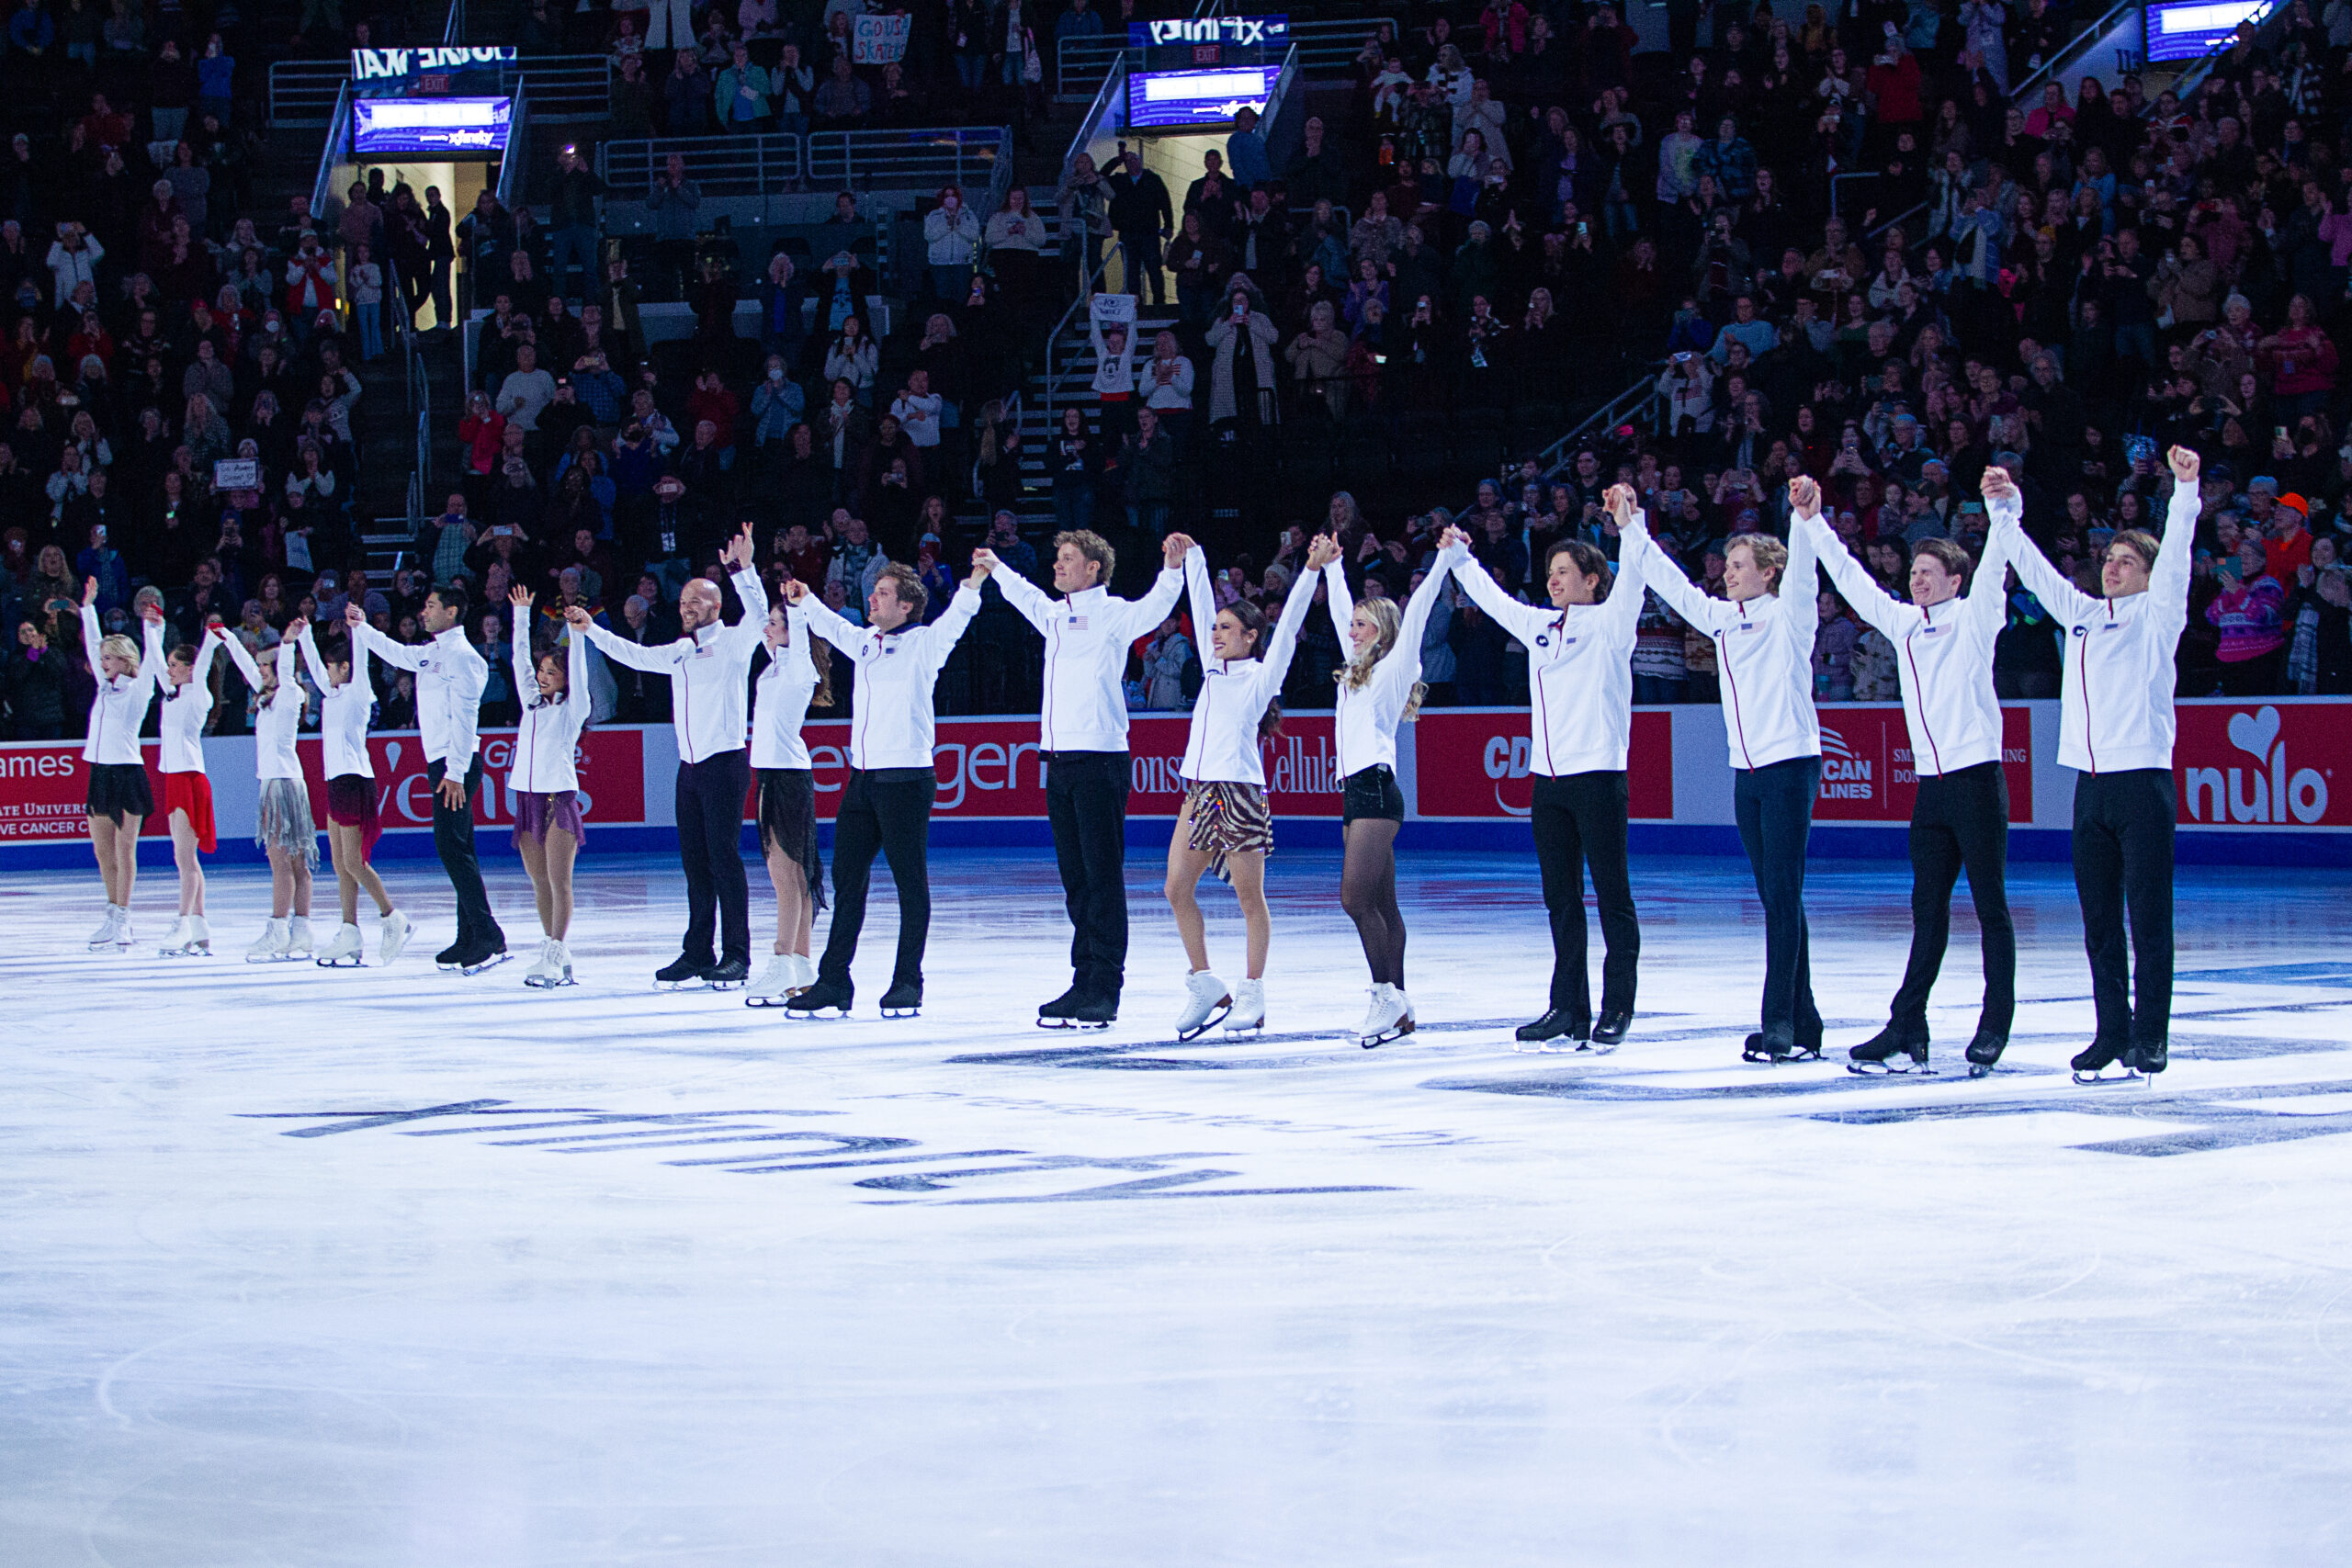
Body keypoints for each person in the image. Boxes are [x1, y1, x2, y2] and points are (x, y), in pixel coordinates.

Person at [1798, 472, 2019, 1077]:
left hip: (1977, 782)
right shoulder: (1903, 624)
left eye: (1929, 572)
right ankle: (1907, 1026)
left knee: (1991, 907)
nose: (1917, 579)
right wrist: (1814, 522)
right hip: (1931, 790)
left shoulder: (1975, 618)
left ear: (1954, 580)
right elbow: (1851, 579)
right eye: (1914, 571)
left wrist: (2002, 507)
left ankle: (1994, 1024)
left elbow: (1996, 564)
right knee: (1927, 910)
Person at [1993, 446, 2199, 1083]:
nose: (2112, 567)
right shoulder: (2081, 615)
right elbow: (2031, 568)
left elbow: (2178, 557)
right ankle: (2112, 1030)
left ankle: (2151, 1034)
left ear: (2149, 575)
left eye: (2127, 561)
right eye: (2109, 558)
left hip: (2142, 785)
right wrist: (2003, 510)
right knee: (2100, 922)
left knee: (2148, 917)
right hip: (2089, 787)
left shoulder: (2159, 615)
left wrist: (2184, 491)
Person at [1449, 490, 1655, 1049]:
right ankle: (1568, 1007)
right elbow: (1493, 601)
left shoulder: (1612, 624)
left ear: (1593, 579)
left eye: (1565, 571)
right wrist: (1460, 556)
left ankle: (1618, 1007)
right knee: (1560, 899)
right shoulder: (1540, 627)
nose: (1554, 579)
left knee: (1613, 896)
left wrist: (1628, 525)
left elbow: (1635, 579)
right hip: (1549, 783)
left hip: (1599, 778)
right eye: (1550, 572)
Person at [1642, 479, 1826, 1062]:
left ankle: (1779, 1022)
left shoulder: (1790, 614)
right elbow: (1674, 585)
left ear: (1768, 573)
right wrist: (1631, 529)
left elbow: (1804, 575)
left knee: (1783, 892)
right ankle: (1806, 1018)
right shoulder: (1723, 619)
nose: (1728, 572)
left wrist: (1802, 519)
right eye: (1727, 564)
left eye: (1740, 565)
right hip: (1746, 772)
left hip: (1790, 764)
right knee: (1776, 896)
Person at [981, 528, 1190, 1029]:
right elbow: (1024, 595)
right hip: (1058, 761)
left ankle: (1106, 987)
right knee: (1076, 881)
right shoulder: (1054, 615)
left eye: (1068, 558)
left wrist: (1172, 567)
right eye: (1057, 558)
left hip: (1100, 760)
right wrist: (996, 567)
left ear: (1093, 568)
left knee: (1102, 878)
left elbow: (1158, 605)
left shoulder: (1113, 613)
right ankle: (1083, 980)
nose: (1058, 565)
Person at [782, 555, 992, 1019]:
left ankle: (907, 981)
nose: (871, 599)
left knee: (909, 883)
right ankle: (834, 981)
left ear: (906, 605)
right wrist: (806, 599)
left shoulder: (924, 643)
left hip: (906, 782)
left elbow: (957, 619)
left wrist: (974, 583)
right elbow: (832, 626)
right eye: (873, 592)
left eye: (882, 594)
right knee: (847, 881)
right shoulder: (865, 643)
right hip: (862, 780)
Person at [576, 525, 766, 989]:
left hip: (724, 765)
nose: (686, 607)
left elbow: (760, 615)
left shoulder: (734, 643)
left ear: (716, 606)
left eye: (696, 601)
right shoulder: (681, 650)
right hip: (689, 770)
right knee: (695, 864)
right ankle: (698, 951)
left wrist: (744, 570)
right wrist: (593, 631)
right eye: (683, 602)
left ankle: (737, 954)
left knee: (724, 860)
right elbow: (635, 656)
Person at [1167, 536, 1334, 1039]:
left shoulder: (1262, 678)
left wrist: (1310, 570)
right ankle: (1204, 983)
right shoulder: (1211, 668)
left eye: (1227, 628)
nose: (1216, 633)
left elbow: (1288, 630)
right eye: (1215, 627)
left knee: (1249, 898)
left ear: (1250, 636)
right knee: (1176, 889)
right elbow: (1200, 603)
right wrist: (1195, 557)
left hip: (1238, 794)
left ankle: (1254, 993)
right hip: (1198, 792)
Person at [1319, 527, 1469, 1046]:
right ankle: (1400, 1006)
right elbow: (1339, 609)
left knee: (1354, 899)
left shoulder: (1394, 666)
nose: (1352, 630)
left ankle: (1385, 996)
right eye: (1352, 625)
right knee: (1383, 906)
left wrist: (1443, 562)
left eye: (1362, 625)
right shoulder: (1355, 670)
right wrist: (1332, 566)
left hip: (1376, 792)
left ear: (1383, 631)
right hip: (1355, 794)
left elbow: (1420, 609)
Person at [345, 584, 507, 973]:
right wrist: (362, 628)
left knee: (451, 848)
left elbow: (466, 718)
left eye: (432, 606)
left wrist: (455, 772)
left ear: (451, 612)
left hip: (455, 763)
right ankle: (469, 935)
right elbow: (397, 653)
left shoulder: (464, 658)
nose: (424, 611)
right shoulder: (433, 652)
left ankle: (488, 934)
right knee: (459, 849)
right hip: (444, 762)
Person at [295, 620, 410, 967]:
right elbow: (316, 668)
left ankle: (393, 918)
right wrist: (303, 635)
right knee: (340, 863)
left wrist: (357, 627)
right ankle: (349, 931)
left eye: (332, 666)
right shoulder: (332, 694)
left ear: (345, 668)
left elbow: (360, 657)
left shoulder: (359, 691)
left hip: (353, 780)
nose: (325, 672)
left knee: (354, 862)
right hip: (336, 781)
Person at [741, 595, 832, 1007]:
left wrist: (795, 607)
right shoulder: (777, 664)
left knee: (787, 875)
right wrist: (743, 572)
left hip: (786, 778)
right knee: (795, 875)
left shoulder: (799, 666)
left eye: (776, 623)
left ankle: (783, 960)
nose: (767, 628)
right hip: (773, 775)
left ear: (794, 631)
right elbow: (757, 613)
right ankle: (801, 963)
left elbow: (794, 629)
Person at [220, 627, 317, 962]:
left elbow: (286, 672)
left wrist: (288, 644)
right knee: (292, 862)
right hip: (281, 781)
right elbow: (247, 667)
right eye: (260, 664)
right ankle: (300, 930)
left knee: (285, 862)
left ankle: (280, 929)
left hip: (282, 785)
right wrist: (228, 639)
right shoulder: (269, 697)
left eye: (265, 665)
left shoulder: (289, 693)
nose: (260, 670)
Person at [77, 580, 163, 951]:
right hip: (99, 773)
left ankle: (125, 919)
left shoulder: (138, 689)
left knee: (125, 850)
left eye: (108, 659)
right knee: (103, 851)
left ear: (125, 660)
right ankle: (112, 914)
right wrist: (87, 608)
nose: (102, 663)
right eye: (102, 659)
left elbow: (153, 663)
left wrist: (153, 628)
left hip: (127, 774)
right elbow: (92, 641)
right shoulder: (104, 686)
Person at [518, 590, 594, 987]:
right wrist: (521, 615)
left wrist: (576, 635)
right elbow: (519, 662)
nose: (543, 676)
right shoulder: (531, 704)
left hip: (558, 800)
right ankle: (552, 949)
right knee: (538, 881)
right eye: (542, 670)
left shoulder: (572, 710)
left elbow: (579, 677)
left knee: (558, 880)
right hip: (527, 800)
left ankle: (556, 949)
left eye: (551, 672)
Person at [152, 614, 230, 956]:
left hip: (189, 780)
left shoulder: (199, 694)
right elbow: (157, 666)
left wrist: (211, 638)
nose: (169, 670)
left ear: (190, 669)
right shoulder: (174, 694)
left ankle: (183, 921)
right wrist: (152, 629)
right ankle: (199, 928)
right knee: (186, 858)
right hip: (175, 778)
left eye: (174, 665)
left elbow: (204, 662)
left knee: (184, 858)